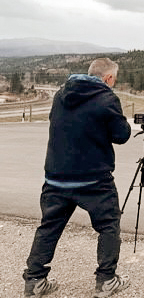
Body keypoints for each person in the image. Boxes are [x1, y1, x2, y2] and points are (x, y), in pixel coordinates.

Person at [23, 58, 132, 298]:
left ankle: (34, 280)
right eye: (115, 79)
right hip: (94, 180)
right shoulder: (107, 99)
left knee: (49, 227)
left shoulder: (61, 95)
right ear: (108, 79)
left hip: (56, 177)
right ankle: (106, 280)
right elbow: (121, 135)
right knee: (109, 225)